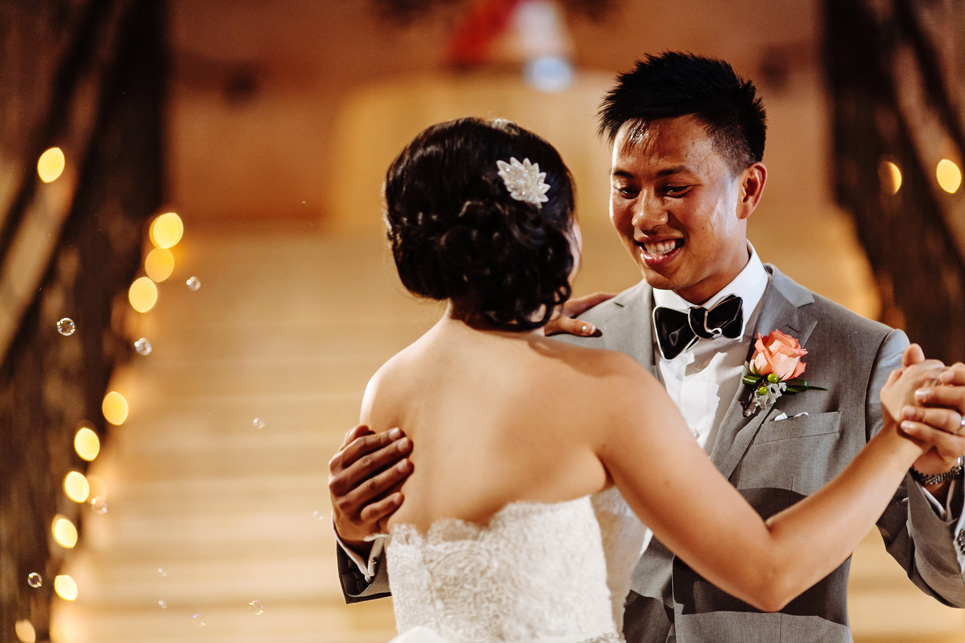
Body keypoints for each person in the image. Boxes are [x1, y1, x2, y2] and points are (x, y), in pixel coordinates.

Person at [333, 114, 960, 643]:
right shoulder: (600, 383)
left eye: (673, 186)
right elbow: (768, 571)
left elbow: (464, 557)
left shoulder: (389, 387)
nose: (645, 215)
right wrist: (900, 434)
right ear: (555, 233)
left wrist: (357, 532)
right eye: (622, 189)